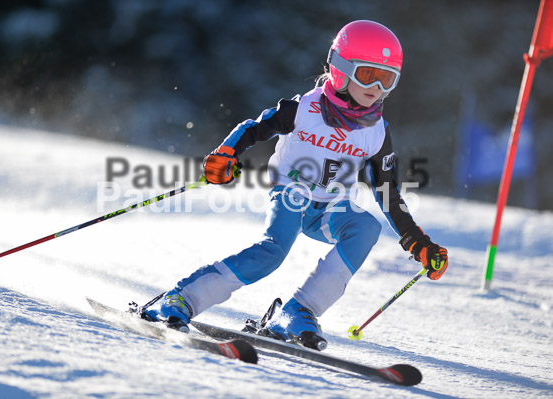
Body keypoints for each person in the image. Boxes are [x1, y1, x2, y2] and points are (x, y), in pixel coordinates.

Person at [142, 20, 449, 349]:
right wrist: (226, 153)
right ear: (341, 69)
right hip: (292, 193)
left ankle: (297, 311)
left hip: (331, 208)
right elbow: (254, 128)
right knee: (273, 251)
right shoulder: (304, 108)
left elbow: (387, 191)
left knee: (365, 228)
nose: (376, 87)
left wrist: (417, 242)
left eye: (387, 79)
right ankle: (181, 298)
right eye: (367, 74)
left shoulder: (377, 132)